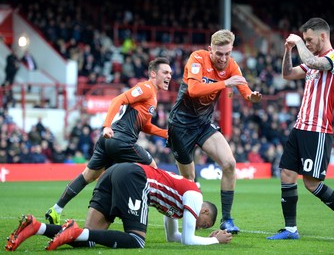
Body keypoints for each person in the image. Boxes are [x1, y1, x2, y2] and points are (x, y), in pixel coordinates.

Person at [45, 57, 172, 225]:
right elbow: (117, 100)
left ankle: (56, 209)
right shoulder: (146, 88)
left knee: (88, 176)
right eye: (165, 72)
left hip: (109, 141)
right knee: (153, 168)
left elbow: (145, 125)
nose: (169, 76)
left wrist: (166, 134)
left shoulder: (152, 96)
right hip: (120, 139)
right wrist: (106, 126)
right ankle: (164, 209)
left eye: (170, 72)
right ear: (153, 74)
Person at [266, 18, 334, 241]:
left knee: (311, 183)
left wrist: (298, 42)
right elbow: (287, 74)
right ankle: (290, 229)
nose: (307, 44)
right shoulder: (311, 60)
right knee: (287, 174)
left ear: (322, 36)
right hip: (300, 126)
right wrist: (288, 50)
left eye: (309, 39)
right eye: (305, 40)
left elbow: (313, 61)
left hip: (318, 130)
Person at [5, 162, 233, 251]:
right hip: (134, 177)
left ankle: (37, 227)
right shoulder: (194, 193)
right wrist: (215, 239)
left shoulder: (176, 204)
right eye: (203, 224)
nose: (197, 226)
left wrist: (206, 236)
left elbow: (174, 237)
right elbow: (187, 239)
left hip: (115, 172)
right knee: (136, 240)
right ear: (204, 211)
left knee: (88, 239)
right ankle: (69, 229)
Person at [167, 29, 262, 234]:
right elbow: (193, 90)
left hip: (202, 124)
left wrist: (250, 96)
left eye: (227, 54)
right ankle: (184, 215)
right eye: (219, 54)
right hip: (181, 126)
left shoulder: (231, 65)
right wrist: (225, 83)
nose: (223, 58)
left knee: (229, 164)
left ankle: (227, 219)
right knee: (189, 179)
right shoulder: (198, 58)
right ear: (211, 50)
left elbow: (242, 85)